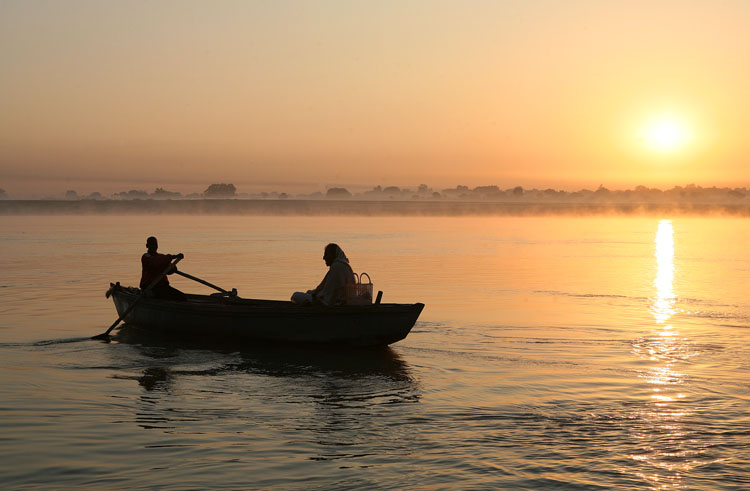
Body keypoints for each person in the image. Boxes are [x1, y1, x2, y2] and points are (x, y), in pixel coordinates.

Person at [140, 236, 187, 301]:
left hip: (162, 287)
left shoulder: (161, 257)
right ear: (147, 246)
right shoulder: (146, 257)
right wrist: (174, 256)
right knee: (166, 298)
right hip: (150, 288)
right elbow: (155, 262)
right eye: (151, 244)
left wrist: (172, 267)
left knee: (183, 297)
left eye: (155, 245)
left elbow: (171, 270)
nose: (153, 246)